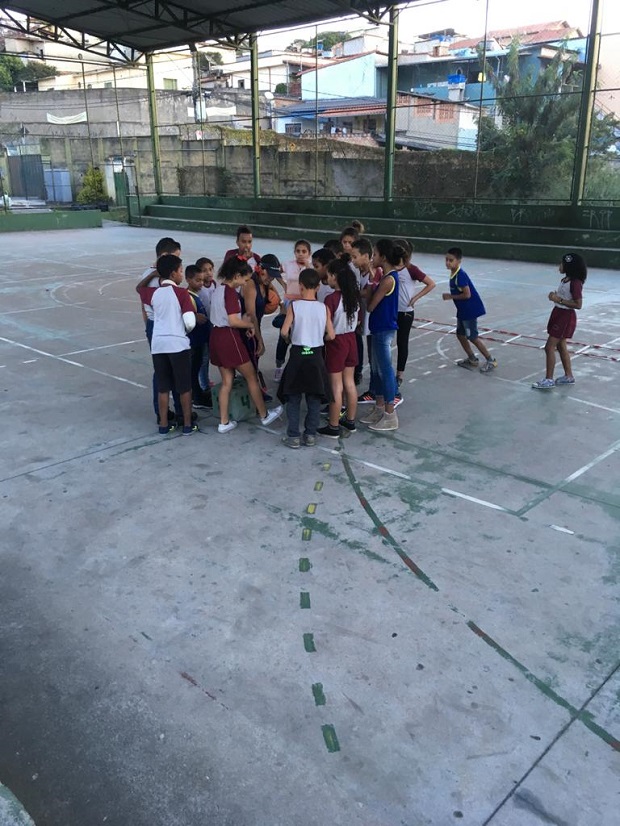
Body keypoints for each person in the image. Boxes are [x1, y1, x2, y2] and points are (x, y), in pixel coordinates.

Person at [209, 257, 282, 433]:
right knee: (251, 377)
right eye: (245, 279)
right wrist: (249, 325)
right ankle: (264, 415)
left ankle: (224, 422)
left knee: (227, 381)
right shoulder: (231, 293)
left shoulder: (218, 290)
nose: (245, 283)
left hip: (215, 336)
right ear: (236, 276)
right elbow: (234, 320)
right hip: (229, 337)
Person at [136, 255, 198, 435]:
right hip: (177, 344)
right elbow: (190, 321)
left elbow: (139, 288)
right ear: (173, 274)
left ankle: (164, 425)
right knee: (184, 388)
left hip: (158, 344)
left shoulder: (153, 293)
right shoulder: (181, 293)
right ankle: (187, 425)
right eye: (180, 270)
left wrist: (153, 274)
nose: (181, 274)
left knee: (163, 387)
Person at [278, 268, 335, 448]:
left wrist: (290, 338)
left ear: (300, 286)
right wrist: (320, 338)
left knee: (293, 397)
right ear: (318, 286)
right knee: (314, 397)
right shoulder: (324, 308)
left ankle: (293, 436)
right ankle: (310, 434)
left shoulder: (294, 306)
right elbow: (331, 335)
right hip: (315, 355)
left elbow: (284, 331)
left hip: (297, 354)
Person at [138, 236, 183, 424]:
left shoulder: (150, 275)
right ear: (164, 256)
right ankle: (173, 413)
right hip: (163, 325)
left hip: (155, 326)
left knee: (163, 370)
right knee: (170, 370)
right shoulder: (156, 279)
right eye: (176, 257)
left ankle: (167, 413)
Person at [360, 239, 402, 432]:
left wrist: (371, 285)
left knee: (385, 370)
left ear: (383, 257)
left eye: (375, 255)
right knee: (376, 370)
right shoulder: (382, 277)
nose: (372, 258)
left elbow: (370, 305)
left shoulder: (388, 280)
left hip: (384, 329)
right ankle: (378, 408)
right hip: (378, 328)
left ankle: (390, 413)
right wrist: (370, 279)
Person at [317, 257, 360, 439]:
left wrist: (324, 338)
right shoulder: (353, 297)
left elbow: (326, 326)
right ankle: (349, 421)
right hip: (351, 340)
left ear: (334, 276)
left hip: (336, 342)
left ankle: (333, 425)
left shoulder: (331, 298)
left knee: (336, 385)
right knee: (349, 382)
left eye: (329, 275)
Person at [532, 252, 587, 389]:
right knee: (561, 346)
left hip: (565, 316)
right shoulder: (565, 280)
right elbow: (563, 298)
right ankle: (569, 376)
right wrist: (555, 297)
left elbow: (578, 304)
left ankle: (549, 379)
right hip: (558, 313)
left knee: (549, 347)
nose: (559, 266)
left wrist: (559, 300)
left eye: (562, 263)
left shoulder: (575, 283)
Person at [442, 247, 497, 373]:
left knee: (472, 337)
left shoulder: (460, 276)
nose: (448, 263)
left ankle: (491, 360)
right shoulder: (453, 273)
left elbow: (467, 295)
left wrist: (450, 296)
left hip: (469, 311)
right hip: (462, 311)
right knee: (460, 335)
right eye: (446, 260)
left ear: (459, 261)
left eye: (451, 260)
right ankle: (472, 359)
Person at [394, 238, 436, 392]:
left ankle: (399, 375)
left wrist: (416, 297)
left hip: (405, 312)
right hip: (390, 311)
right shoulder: (388, 268)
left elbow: (431, 283)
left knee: (402, 343)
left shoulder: (411, 269)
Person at [241, 253, 282, 400]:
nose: (271, 278)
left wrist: (282, 304)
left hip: (255, 326)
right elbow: (251, 316)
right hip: (246, 329)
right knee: (250, 363)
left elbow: (275, 292)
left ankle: (254, 390)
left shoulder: (264, 282)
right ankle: (254, 396)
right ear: (260, 269)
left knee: (255, 360)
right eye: (269, 274)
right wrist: (260, 340)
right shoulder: (250, 285)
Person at [274, 239, 312, 380]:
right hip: (290, 302)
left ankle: (301, 367)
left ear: (309, 253)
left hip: (304, 303)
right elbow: (275, 271)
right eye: (298, 251)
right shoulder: (288, 265)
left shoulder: (311, 268)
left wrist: (308, 267)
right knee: (283, 335)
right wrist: (284, 285)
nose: (300, 254)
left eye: (304, 251)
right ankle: (279, 366)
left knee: (302, 336)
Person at [351, 236, 381, 400]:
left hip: (373, 319)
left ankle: (379, 392)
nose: (353, 260)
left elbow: (369, 292)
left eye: (355, 256)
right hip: (365, 318)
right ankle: (374, 390)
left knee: (375, 356)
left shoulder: (373, 272)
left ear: (365, 255)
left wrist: (350, 292)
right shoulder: (361, 271)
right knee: (372, 355)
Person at [185, 264, 212, 409]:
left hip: (201, 339)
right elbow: (186, 318)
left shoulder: (196, 295)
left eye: (202, 280)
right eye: (197, 280)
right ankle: (196, 397)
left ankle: (197, 394)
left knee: (197, 367)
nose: (201, 283)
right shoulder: (188, 297)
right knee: (193, 370)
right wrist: (194, 317)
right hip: (194, 341)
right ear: (188, 279)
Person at [196, 257, 215, 393]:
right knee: (204, 357)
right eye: (204, 270)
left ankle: (204, 380)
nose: (208, 273)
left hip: (213, 325)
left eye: (210, 269)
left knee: (209, 355)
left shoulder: (215, 285)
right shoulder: (197, 288)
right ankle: (204, 385)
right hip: (202, 326)